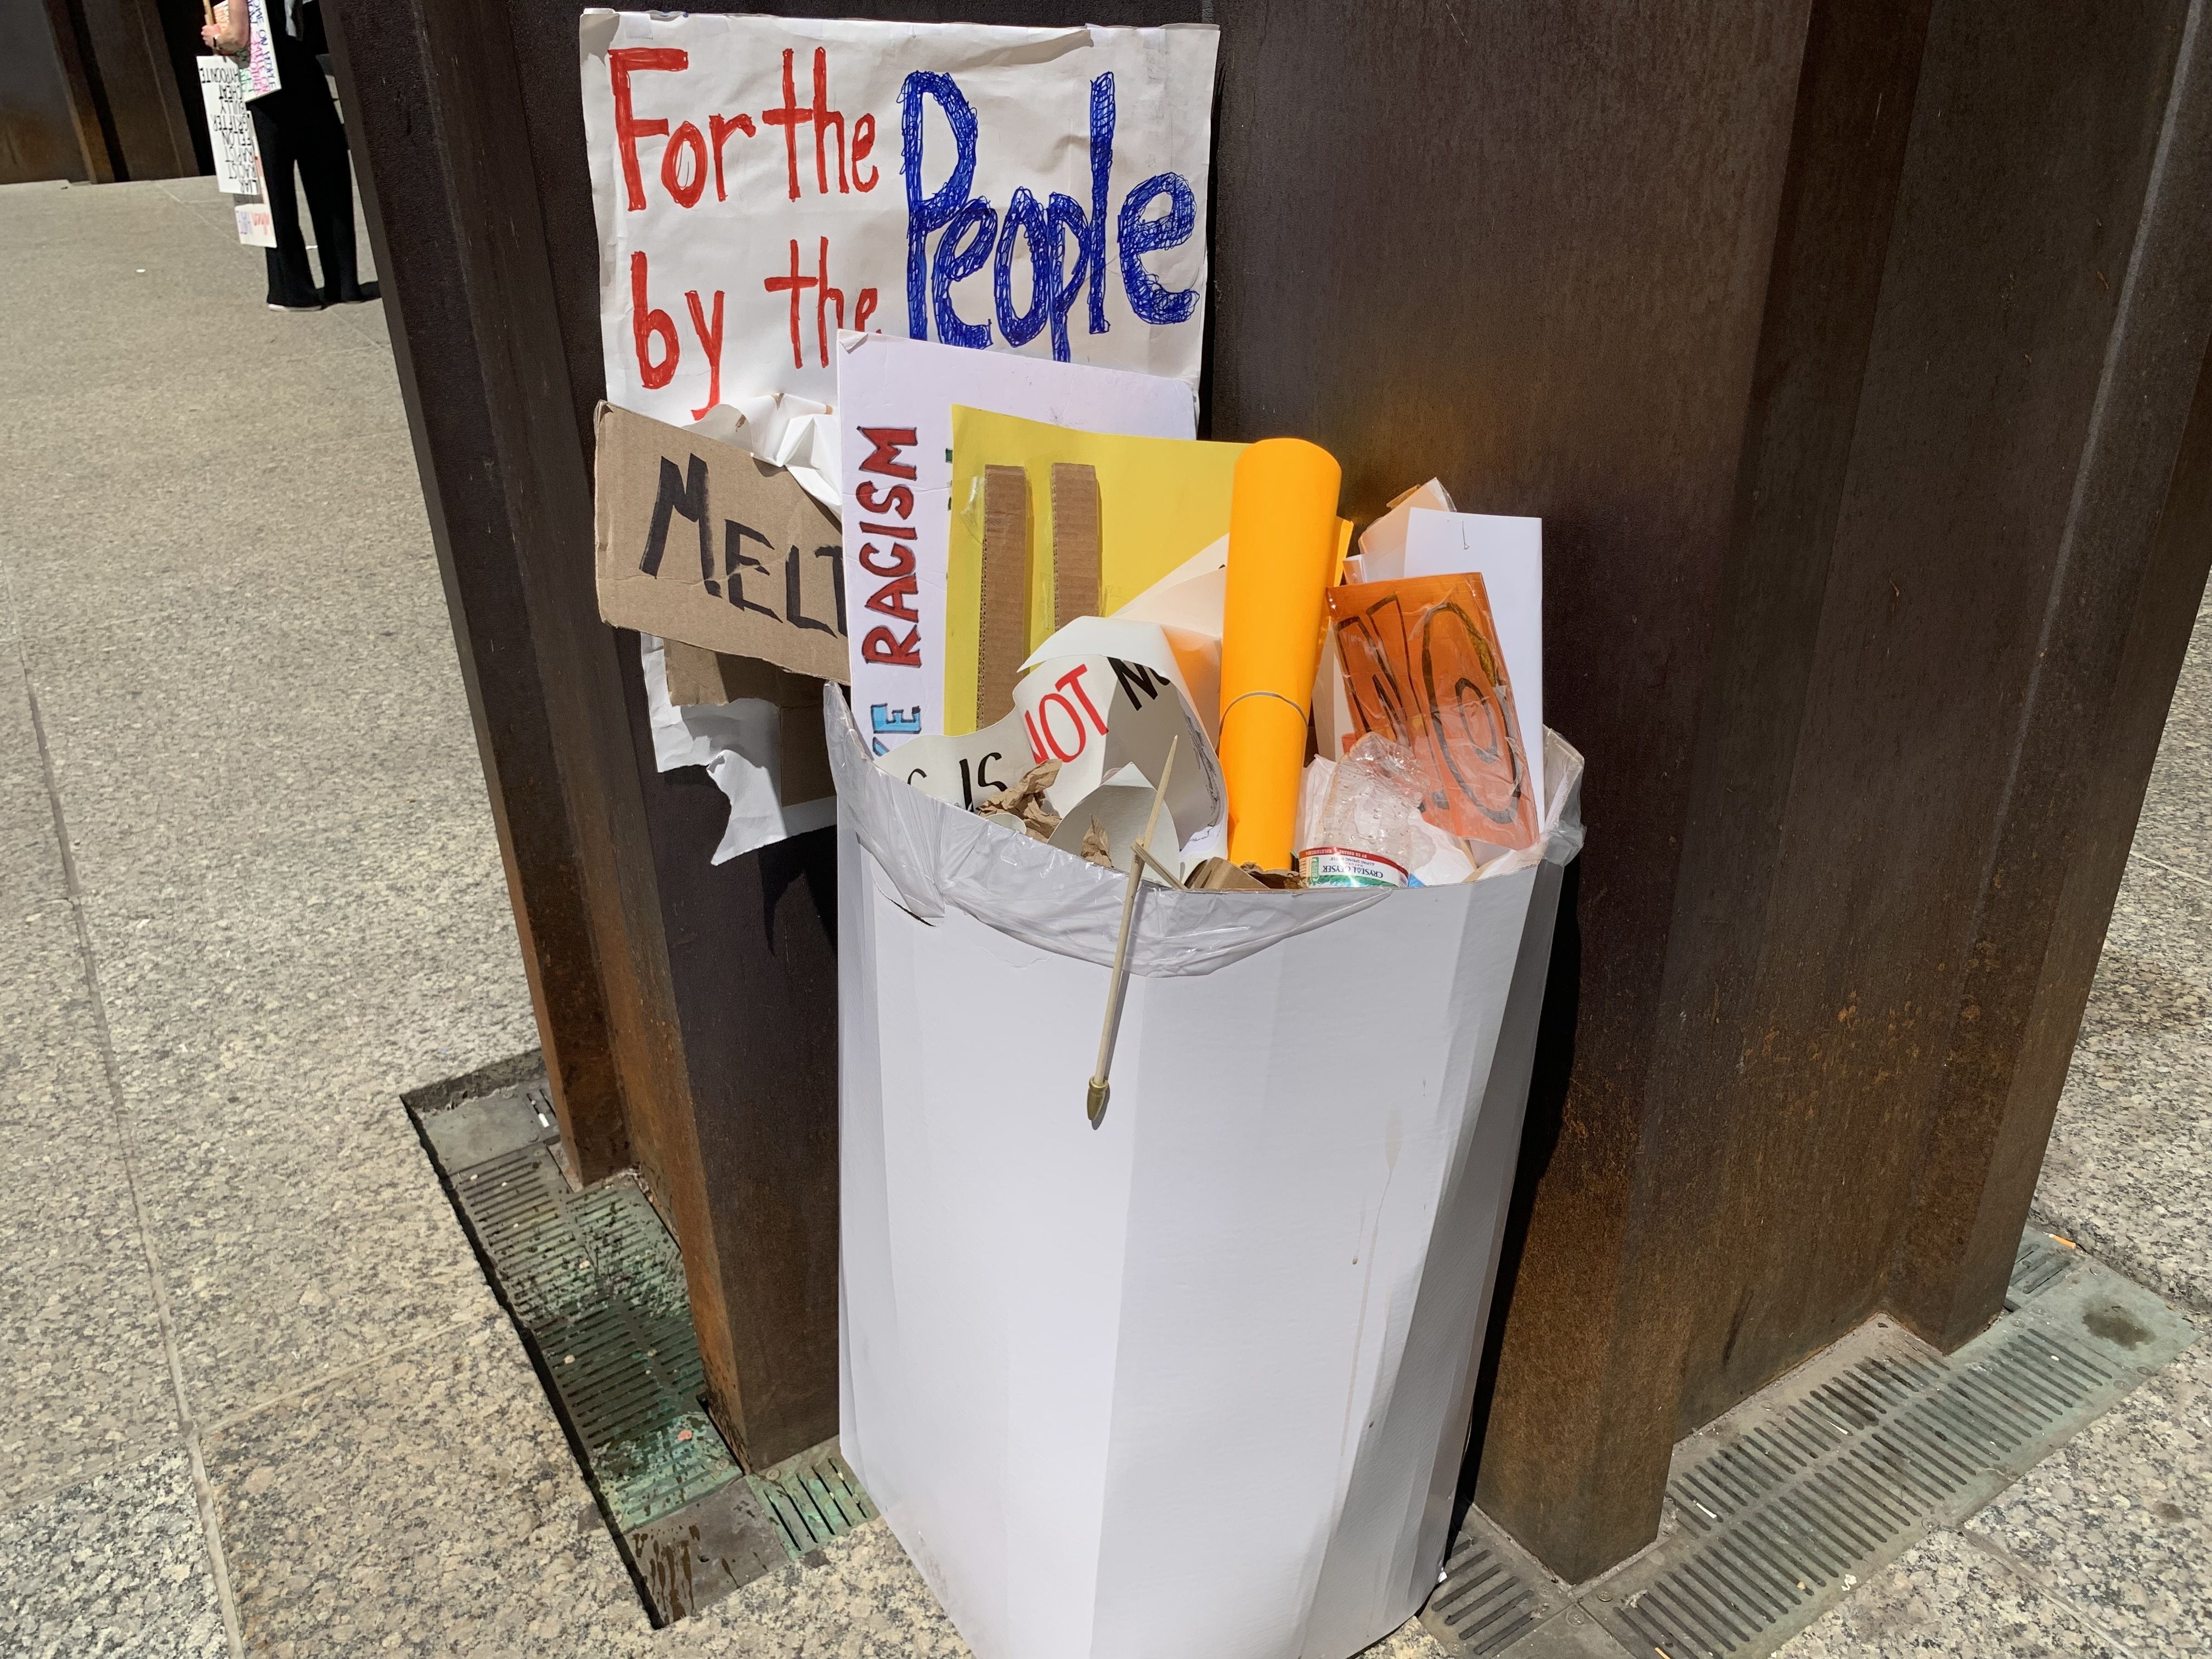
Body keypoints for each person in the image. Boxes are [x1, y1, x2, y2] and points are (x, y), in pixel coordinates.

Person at [202, 0, 377, 312]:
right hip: (304, 71)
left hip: (264, 85)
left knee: (275, 189)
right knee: (328, 177)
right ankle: (343, 282)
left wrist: (214, 37)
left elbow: (238, 38)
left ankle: (293, 290)